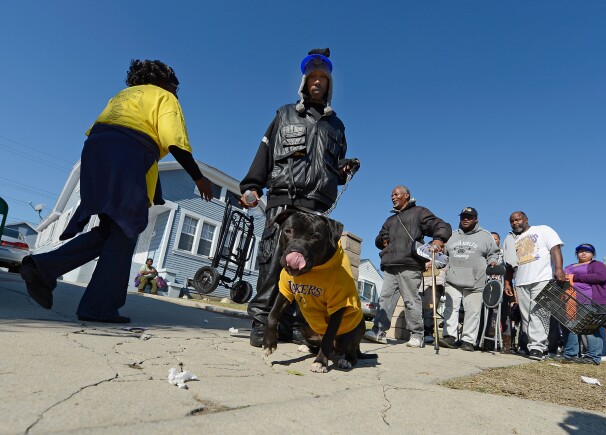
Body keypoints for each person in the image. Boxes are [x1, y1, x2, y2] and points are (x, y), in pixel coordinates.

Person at [20, 59, 213, 323]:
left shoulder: (123, 96)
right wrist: (198, 178)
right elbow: (173, 141)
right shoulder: (163, 97)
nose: (176, 90)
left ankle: (44, 267)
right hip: (129, 151)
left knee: (112, 230)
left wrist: (154, 194)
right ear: (162, 81)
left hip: (96, 151)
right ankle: (98, 307)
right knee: (126, 230)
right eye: (174, 84)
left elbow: (117, 135)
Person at [239, 48, 359, 347]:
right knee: (274, 262)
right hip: (285, 199)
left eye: (323, 78)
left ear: (329, 86)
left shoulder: (337, 126)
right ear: (304, 83)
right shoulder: (285, 113)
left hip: (318, 206)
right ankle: (262, 321)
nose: (317, 81)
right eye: (313, 77)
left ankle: (292, 324)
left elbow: (334, 169)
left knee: (308, 268)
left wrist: (344, 170)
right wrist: (252, 184)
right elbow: (265, 150)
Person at [363, 186, 451, 348]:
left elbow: (439, 224)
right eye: (391, 195)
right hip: (391, 264)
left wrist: (439, 239)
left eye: (396, 194)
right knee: (385, 299)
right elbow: (380, 237)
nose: (393, 197)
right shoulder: (390, 220)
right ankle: (378, 331)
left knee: (411, 300)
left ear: (407, 196)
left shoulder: (419, 212)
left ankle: (417, 335)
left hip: (410, 263)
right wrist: (382, 239)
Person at [502, 211, 564, 360]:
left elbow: (555, 249)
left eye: (518, 219)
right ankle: (532, 346)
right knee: (526, 316)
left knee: (539, 313)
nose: (515, 223)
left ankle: (538, 346)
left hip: (541, 278)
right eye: (512, 221)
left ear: (526, 219)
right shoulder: (511, 239)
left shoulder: (543, 230)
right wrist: (507, 281)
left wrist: (559, 269)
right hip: (521, 281)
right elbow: (509, 264)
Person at [439, 207, 499, 351]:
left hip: (476, 280)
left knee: (472, 311)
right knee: (450, 308)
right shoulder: (451, 236)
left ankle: (468, 341)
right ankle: (450, 337)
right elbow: (444, 256)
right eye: (463, 217)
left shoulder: (485, 236)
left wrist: (493, 261)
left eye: (469, 217)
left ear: (475, 219)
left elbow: (493, 253)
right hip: (453, 279)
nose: (465, 219)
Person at [560, 243, 606, 365]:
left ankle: (593, 357)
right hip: (570, 300)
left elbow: (601, 277)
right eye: (580, 251)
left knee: (590, 328)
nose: (583, 253)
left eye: (587, 251)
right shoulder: (570, 266)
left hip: (589, 300)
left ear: (593, 254)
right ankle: (570, 354)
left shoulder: (597, 265)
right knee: (571, 327)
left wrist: (574, 277)